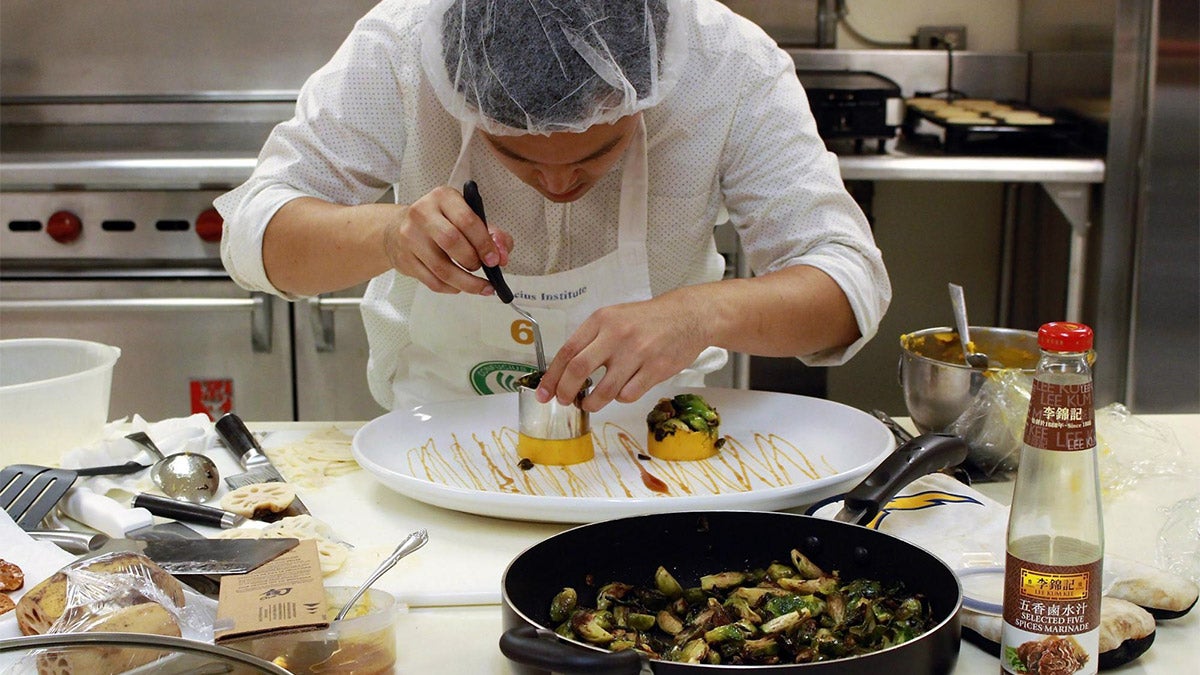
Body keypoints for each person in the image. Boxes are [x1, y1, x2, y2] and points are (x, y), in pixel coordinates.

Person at [215, 0, 891, 414]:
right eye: (517, 160)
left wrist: (700, 312)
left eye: (600, 154)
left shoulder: (727, 67)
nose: (559, 182)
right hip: (434, 440)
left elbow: (847, 282)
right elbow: (252, 232)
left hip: (658, 453)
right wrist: (387, 235)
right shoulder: (401, 50)